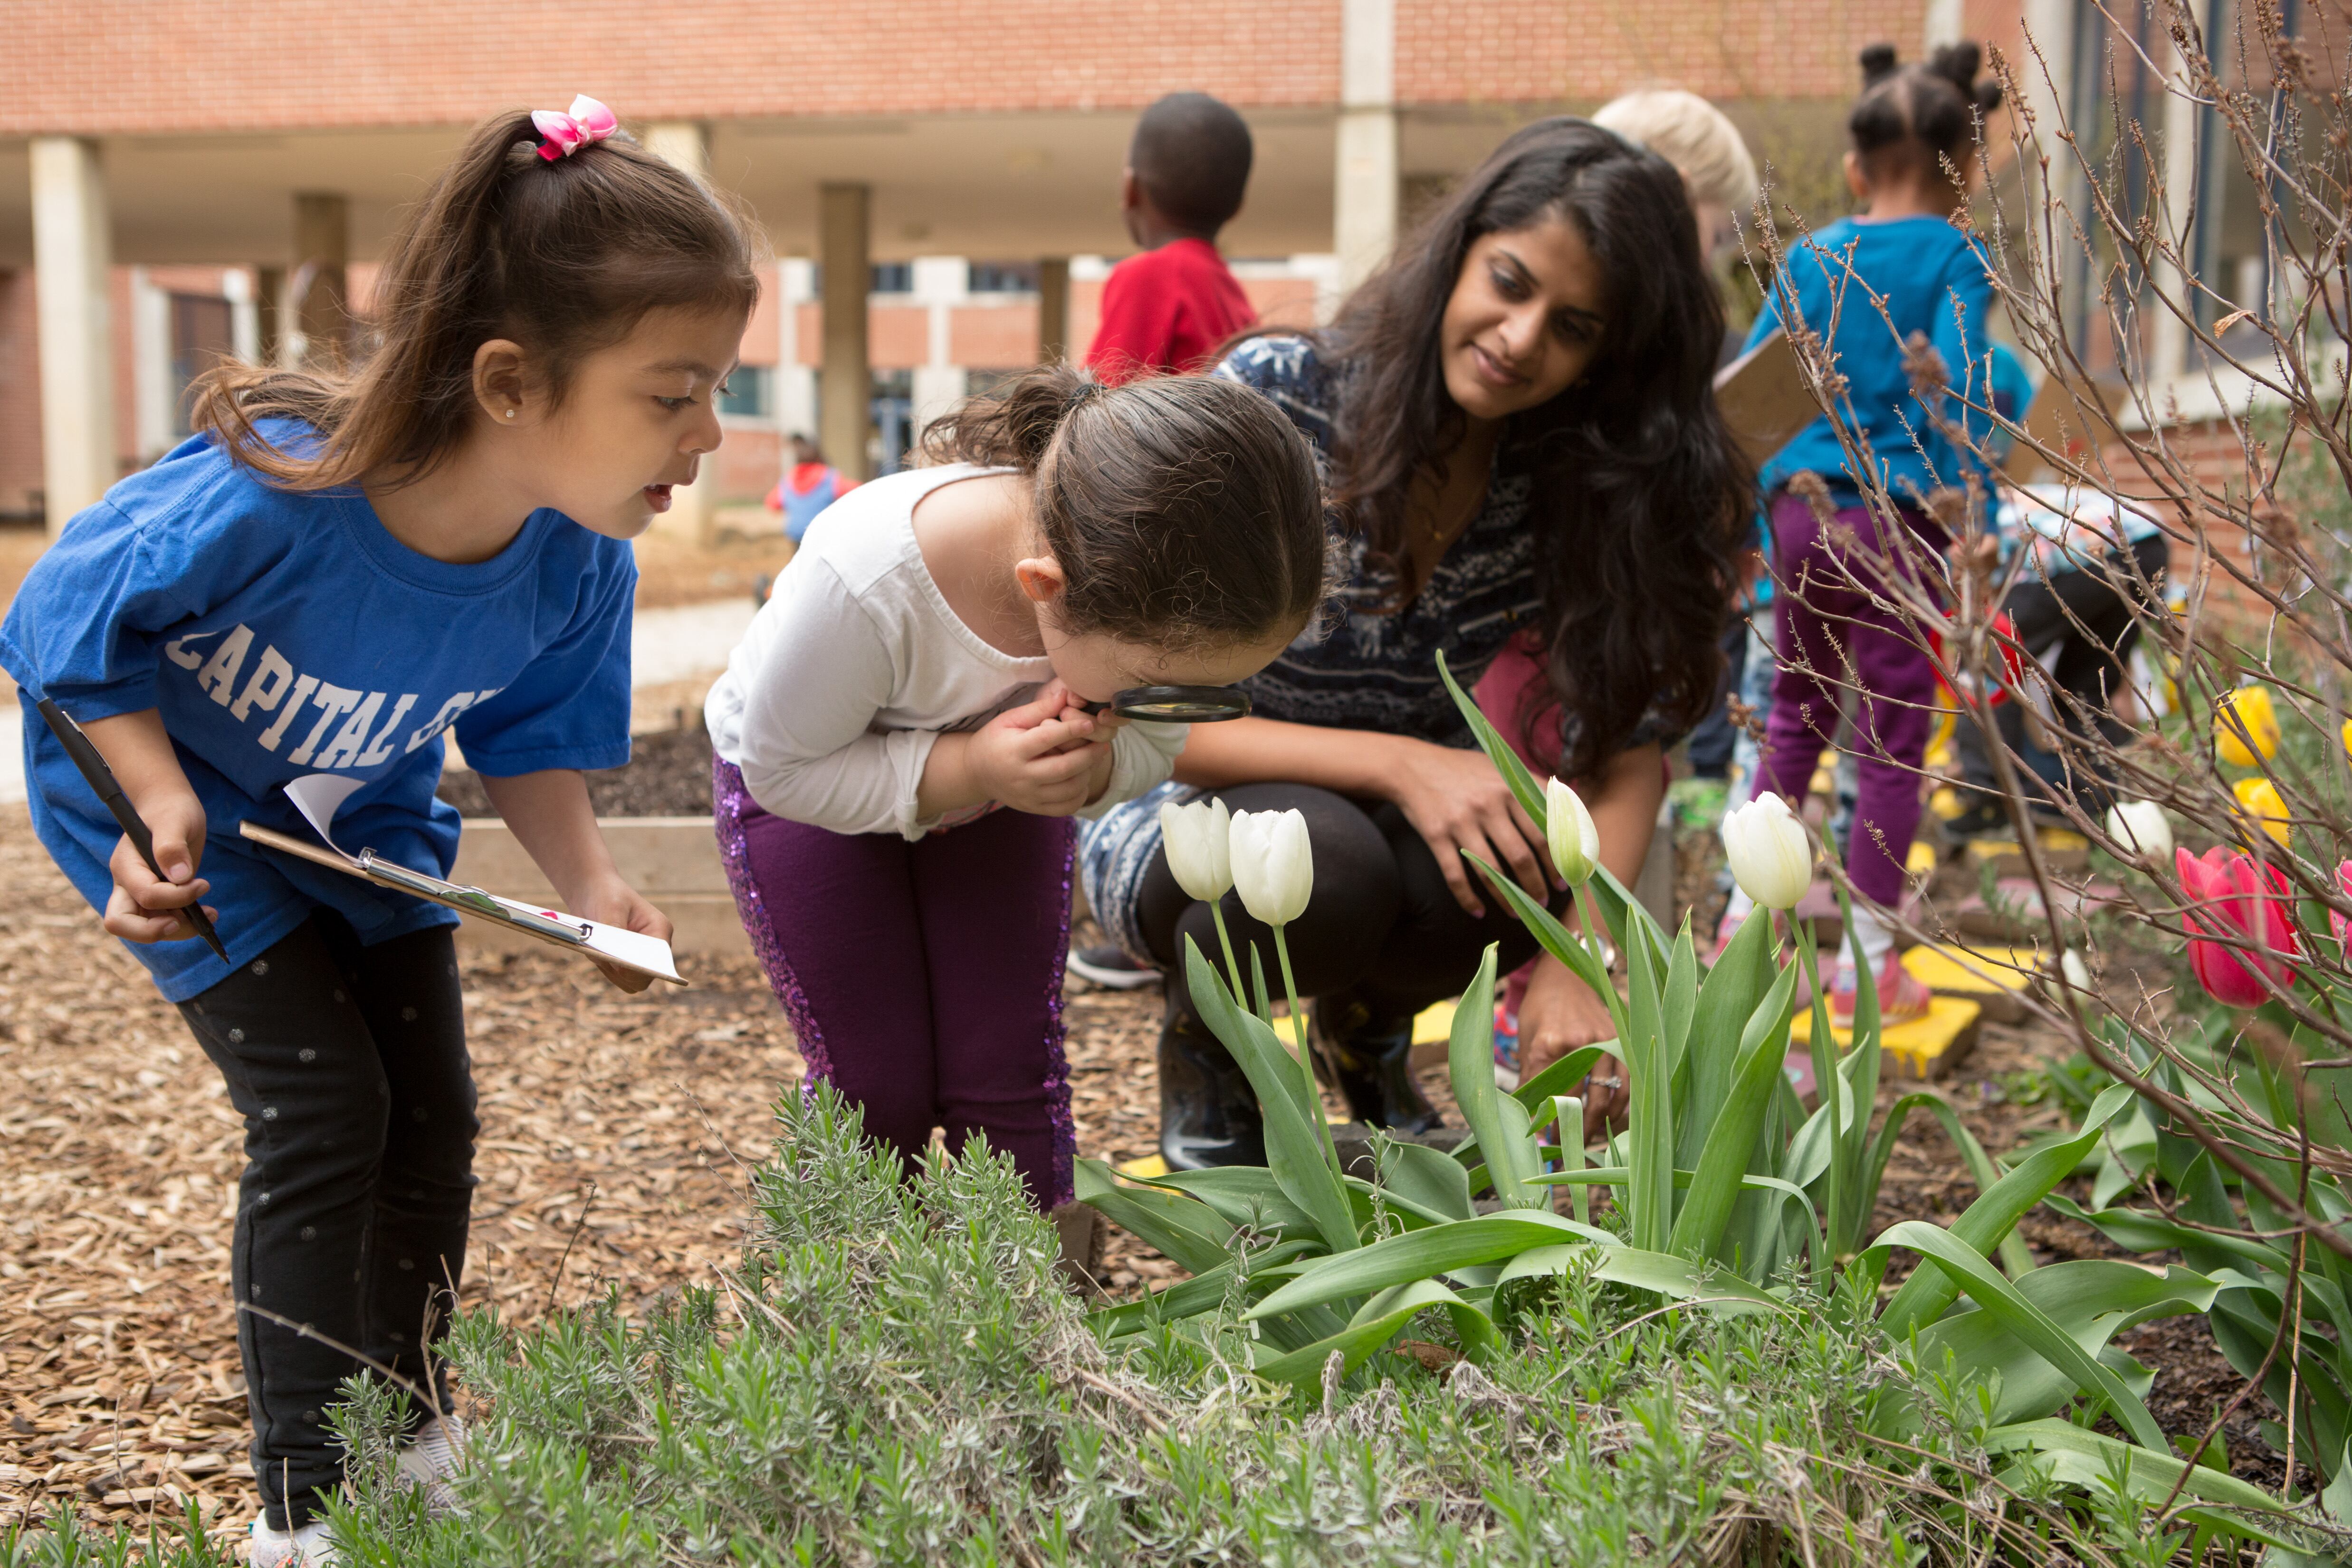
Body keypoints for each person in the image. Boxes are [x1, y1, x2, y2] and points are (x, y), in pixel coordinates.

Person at [0, 98, 751, 1567]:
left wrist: (595, 885)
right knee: (326, 1116)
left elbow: (525, 737)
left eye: (714, 387)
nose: (709, 432)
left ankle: (408, 1434)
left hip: (367, 825)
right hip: (182, 813)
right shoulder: (276, 486)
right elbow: (58, 629)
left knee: (435, 1121)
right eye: (674, 391)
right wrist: (154, 805)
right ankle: (304, 1509)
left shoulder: (579, 559)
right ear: (510, 381)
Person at [1077, 119, 1750, 1170]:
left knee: (1507, 859)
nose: (1523, 337)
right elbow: (1142, 706)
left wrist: (1585, 950)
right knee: (1325, 859)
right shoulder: (1286, 400)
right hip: (1183, 817)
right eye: (1510, 282)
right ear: (1461, 250)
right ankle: (1212, 1061)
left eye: (1572, 327)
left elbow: (1629, 753)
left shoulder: (1576, 481)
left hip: (1409, 832)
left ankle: (1367, 1032)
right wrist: (1406, 762)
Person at [706, 365, 1324, 1227]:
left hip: (1002, 798)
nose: (1172, 707)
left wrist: (1099, 771)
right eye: (1159, 685)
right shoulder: (872, 576)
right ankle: (846, 1311)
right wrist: (975, 770)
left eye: (1204, 692)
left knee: (1006, 1072)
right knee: (874, 1084)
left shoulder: (1136, 601)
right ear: (1047, 590)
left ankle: (1035, 1321)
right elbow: (785, 769)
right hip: (811, 797)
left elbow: (1155, 743)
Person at [1712, 42, 2002, 1021]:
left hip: (1801, 513)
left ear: (1853, 167)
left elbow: (1748, 395)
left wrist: (1748, 515)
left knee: (1793, 714)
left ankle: (1744, 943)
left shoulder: (1807, 256)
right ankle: (1867, 968)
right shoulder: (1957, 254)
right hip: (1898, 518)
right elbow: (1961, 390)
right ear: (1967, 173)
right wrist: (1981, 524)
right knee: (1888, 743)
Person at [1083, 92, 1260, 385]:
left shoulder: (1147, 277)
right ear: (1238, 208)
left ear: (1131, 190)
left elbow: (1097, 409)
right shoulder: (1235, 300)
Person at [765, 433, 859, 543]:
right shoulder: (828, 477)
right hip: (821, 535)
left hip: (796, 534)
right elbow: (858, 491)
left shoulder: (788, 480)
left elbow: (772, 504)